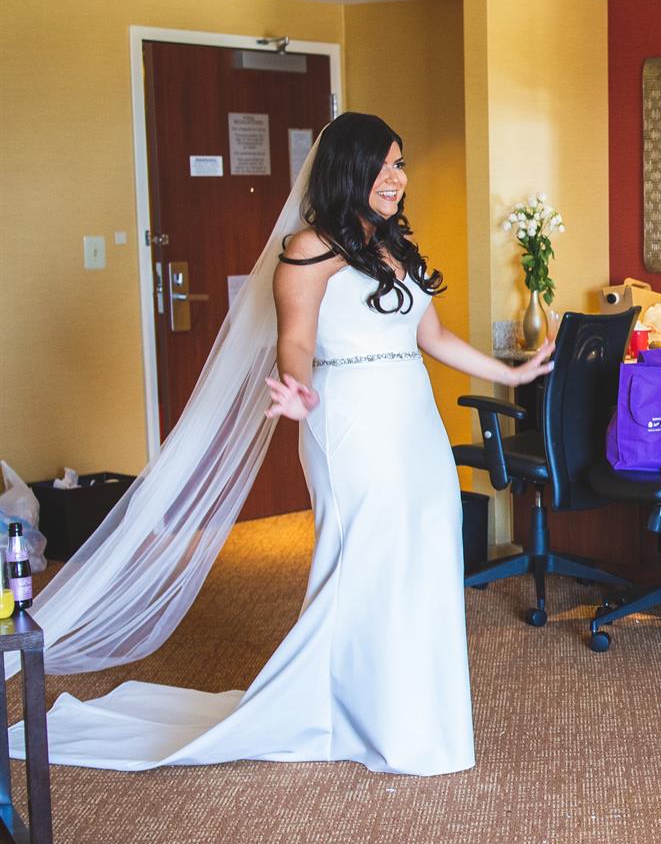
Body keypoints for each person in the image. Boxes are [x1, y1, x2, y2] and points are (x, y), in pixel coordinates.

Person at [8, 113, 549, 775]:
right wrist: (298, 389)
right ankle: (348, 711)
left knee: (424, 551)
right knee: (364, 560)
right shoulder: (308, 248)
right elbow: (294, 338)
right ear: (348, 170)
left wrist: (510, 373)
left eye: (400, 164)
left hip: (413, 419)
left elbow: (430, 336)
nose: (396, 178)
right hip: (347, 417)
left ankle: (412, 711)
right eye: (382, 166)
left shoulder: (392, 246)